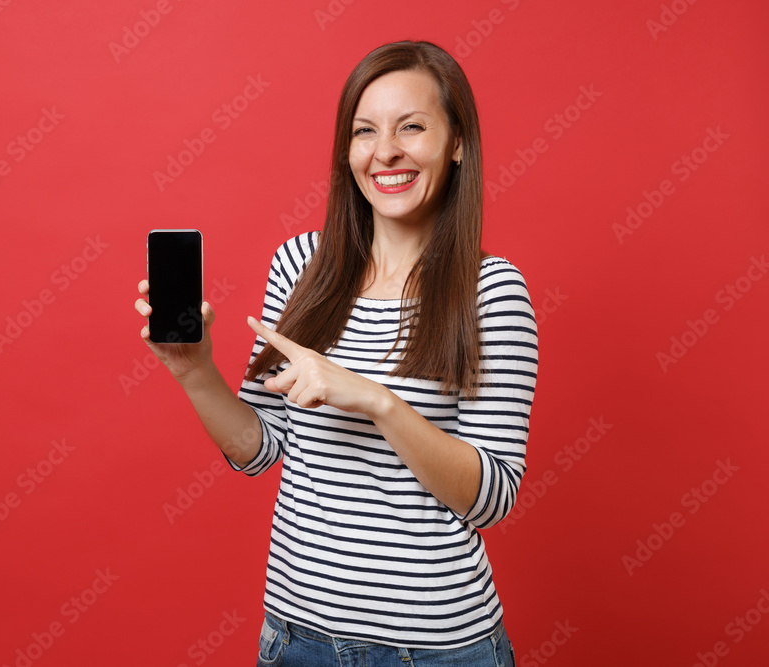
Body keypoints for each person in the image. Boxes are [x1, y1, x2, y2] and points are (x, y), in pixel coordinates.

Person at [134, 39, 536, 667]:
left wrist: (376, 400)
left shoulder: (491, 290)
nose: (386, 153)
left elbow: (490, 498)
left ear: (457, 143)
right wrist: (195, 373)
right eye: (364, 132)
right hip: (296, 640)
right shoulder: (301, 266)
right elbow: (260, 449)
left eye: (412, 127)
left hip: (435, 651)